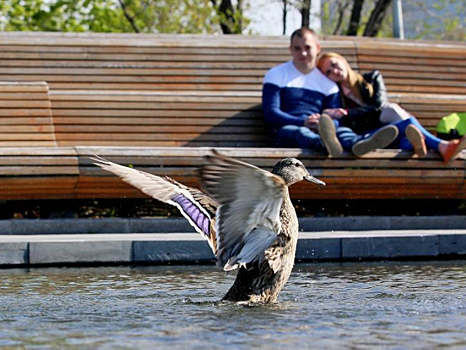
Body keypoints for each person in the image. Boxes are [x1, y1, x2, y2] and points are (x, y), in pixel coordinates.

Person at [262, 27, 398, 157]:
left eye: (307, 48)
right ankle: (324, 144)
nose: (303, 53)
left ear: (318, 48)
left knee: (342, 131)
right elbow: (271, 114)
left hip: (320, 128)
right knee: (300, 132)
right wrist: (303, 122)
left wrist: (323, 123)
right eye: (297, 48)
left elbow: (336, 118)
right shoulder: (276, 74)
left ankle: (359, 144)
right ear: (290, 49)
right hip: (286, 130)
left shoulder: (328, 83)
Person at [316, 52, 466, 164]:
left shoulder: (372, 78)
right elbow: (348, 124)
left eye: (334, 65)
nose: (334, 72)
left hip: (388, 127)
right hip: (373, 135)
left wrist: (348, 113)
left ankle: (421, 143)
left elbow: (379, 107)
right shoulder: (335, 94)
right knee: (406, 124)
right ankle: (441, 146)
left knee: (393, 112)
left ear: (342, 60)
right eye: (328, 72)